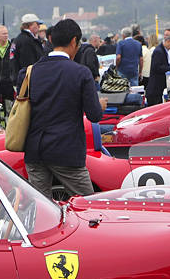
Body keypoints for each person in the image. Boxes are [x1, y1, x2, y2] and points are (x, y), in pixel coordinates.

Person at [17, 19, 105, 200]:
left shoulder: (28, 72)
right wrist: (100, 104)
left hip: (35, 149)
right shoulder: (81, 73)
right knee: (88, 205)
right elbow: (94, 115)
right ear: (74, 41)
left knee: (40, 208)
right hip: (66, 150)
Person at [146, 33, 170, 106]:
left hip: (159, 86)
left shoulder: (162, 51)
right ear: (168, 41)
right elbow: (156, 67)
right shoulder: (159, 51)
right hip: (156, 87)